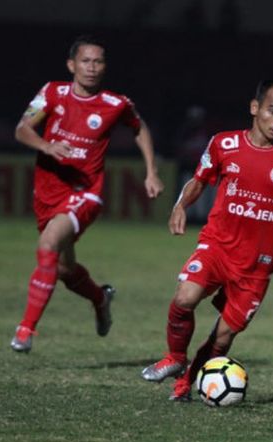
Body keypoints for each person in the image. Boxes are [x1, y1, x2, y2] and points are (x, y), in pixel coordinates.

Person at [141, 78, 273, 401]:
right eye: (272, 111)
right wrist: (180, 206)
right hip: (217, 246)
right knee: (184, 297)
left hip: (257, 264)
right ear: (255, 108)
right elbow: (199, 180)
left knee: (223, 336)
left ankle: (187, 383)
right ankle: (175, 358)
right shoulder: (224, 144)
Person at [10, 35, 164, 353]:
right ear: (72, 65)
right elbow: (22, 128)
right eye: (85, 61)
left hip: (85, 193)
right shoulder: (52, 93)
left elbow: (139, 128)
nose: (92, 68)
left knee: (48, 245)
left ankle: (26, 331)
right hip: (47, 193)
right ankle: (100, 298)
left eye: (98, 62)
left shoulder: (115, 104)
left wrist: (151, 171)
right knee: (64, 270)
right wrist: (46, 146)